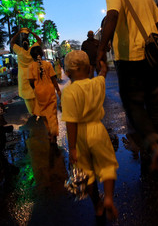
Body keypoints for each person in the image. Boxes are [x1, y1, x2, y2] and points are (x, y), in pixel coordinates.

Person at [97, 0, 158, 171]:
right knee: (157, 101)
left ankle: (153, 146)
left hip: (130, 58)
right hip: (152, 57)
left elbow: (112, 17)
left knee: (132, 103)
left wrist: (101, 49)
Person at [61, 50, 119, 222]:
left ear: (68, 72)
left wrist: (71, 148)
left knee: (86, 173)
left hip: (79, 135)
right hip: (98, 130)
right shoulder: (98, 84)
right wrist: (103, 66)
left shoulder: (69, 92)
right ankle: (108, 197)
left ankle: (98, 206)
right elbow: (103, 74)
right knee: (107, 166)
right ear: (88, 69)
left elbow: (70, 122)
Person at [28, 46, 62, 144]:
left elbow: (30, 81)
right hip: (50, 91)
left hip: (39, 93)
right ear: (42, 54)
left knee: (43, 114)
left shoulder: (31, 67)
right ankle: (53, 133)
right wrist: (59, 91)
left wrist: (35, 88)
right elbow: (53, 79)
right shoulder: (48, 64)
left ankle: (49, 132)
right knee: (52, 114)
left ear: (32, 56)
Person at [9, 28, 43, 114]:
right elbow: (39, 40)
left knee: (27, 98)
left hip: (23, 77)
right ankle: (38, 111)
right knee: (35, 94)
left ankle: (33, 113)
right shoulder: (32, 49)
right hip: (33, 74)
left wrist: (18, 32)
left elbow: (11, 42)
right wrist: (31, 32)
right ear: (29, 44)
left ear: (21, 44)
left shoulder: (19, 51)